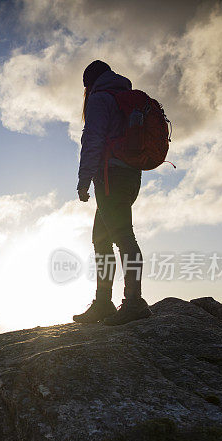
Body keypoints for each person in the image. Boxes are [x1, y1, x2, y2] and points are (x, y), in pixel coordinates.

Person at [73, 60, 152, 326]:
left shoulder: (100, 98)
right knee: (102, 239)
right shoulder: (124, 97)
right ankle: (104, 303)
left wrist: (84, 180)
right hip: (130, 176)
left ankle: (133, 303)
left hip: (110, 177)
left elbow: (93, 139)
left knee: (121, 237)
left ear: (89, 84)